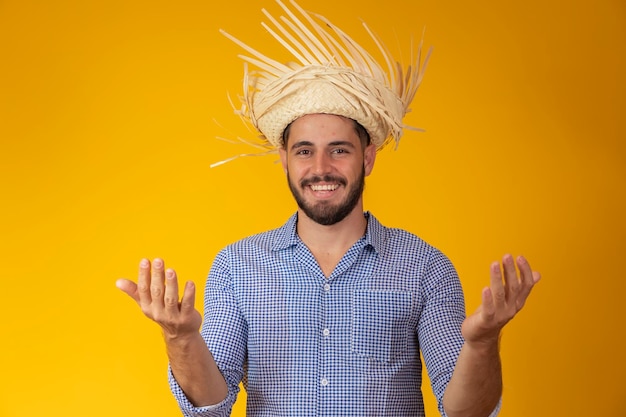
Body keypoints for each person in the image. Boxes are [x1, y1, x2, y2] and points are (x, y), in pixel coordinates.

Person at [116, 1, 541, 416]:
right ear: (284, 159)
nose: (321, 169)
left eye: (338, 150)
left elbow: (467, 412)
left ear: (368, 157)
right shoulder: (236, 266)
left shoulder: (425, 267)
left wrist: (482, 344)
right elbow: (211, 408)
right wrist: (181, 337)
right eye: (305, 151)